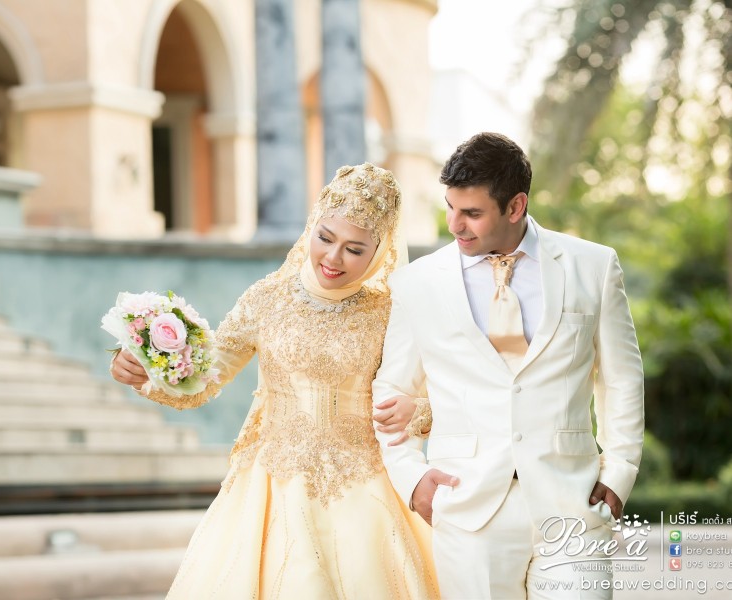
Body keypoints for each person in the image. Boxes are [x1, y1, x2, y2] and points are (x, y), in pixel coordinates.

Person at [110, 163, 440, 599]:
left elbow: (444, 394)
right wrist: (145, 373)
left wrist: (418, 413)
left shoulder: (393, 311)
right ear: (311, 227)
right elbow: (204, 381)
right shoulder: (267, 298)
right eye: (326, 238)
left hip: (366, 487)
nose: (333, 259)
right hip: (272, 488)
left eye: (355, 249)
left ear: (380, 251)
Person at [373, 132, 645, 599]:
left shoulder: (593, 266)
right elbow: (391, 388)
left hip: (572, 504)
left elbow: (622, 378)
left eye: (472, 213)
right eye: (451, 208)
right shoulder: (417, 284)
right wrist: (411, 476)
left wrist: (619, 469)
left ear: (516, 206)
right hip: (468, 508)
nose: (455, 225)